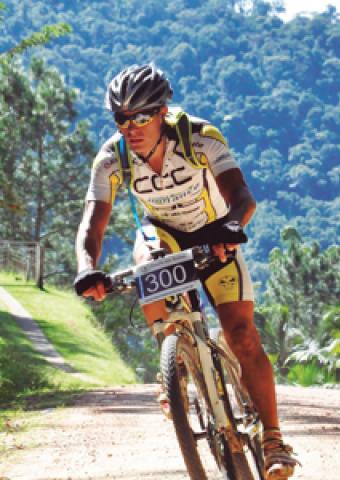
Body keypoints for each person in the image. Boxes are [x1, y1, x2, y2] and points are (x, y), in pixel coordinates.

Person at [73, 64, 298, 479]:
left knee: (242, 334)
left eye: (141, 116)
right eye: (122, 118)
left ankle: (273, 439)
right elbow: (93, 222)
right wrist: (88, 269)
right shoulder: (110, 159)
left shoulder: (199, 137)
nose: (131, 127)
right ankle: (171, 365)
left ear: (162, 111)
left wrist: (232, 226)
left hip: (213, 232)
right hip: (164, 234)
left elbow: (242, 195)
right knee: (146, 259)